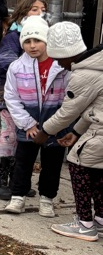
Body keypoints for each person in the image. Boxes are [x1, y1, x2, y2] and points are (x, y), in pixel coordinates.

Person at [32, 22, 103, 241]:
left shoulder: (83, 75)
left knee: (77, 164)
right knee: (99, 173)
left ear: (65, 55)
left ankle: (84, 224)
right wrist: (78, 132)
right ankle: (100, 219)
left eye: (57, 58)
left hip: (100, 132)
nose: (57, 63)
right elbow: (94, 107)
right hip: (97, 125)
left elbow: (68, 112)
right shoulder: (97, 64)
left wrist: (45, 131)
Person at [2, 16, 69, 216]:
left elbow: (70, 97)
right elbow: (11, 97)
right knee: (23, 161)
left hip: (55, 123)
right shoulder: (16, 67)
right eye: (27, 41)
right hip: (28, 124)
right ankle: (18, 196)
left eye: (37, 40)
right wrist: (27, 123)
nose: (32, 46)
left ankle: (47, 198)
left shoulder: (62, 67)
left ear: (47, 40)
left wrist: (57, 124)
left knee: (52, 163)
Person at [0, 0, 47, 200]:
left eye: (42, 9)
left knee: (25, 139)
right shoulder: (15, 37)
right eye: (34, 9)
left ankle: (17, 180)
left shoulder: (43, 39)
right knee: (9, 136)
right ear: (23, 13)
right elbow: (5, 62)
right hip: (10, 95)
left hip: (33, 100)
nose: (39, 13)